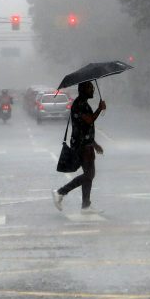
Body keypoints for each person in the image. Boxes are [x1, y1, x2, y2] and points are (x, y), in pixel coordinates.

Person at [52, 81, 106, 213]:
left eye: (93, 88)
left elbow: (86, 128)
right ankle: (60, 192)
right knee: (89, 174)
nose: (93, 90)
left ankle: (86, 205)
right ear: (83, 90)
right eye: (90, 88)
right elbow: (89, 120)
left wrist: (94, 144)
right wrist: (99, 109)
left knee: (89, 174)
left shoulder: (83, 103)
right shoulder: (78, 105)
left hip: (86, 144)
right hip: (81, 146)